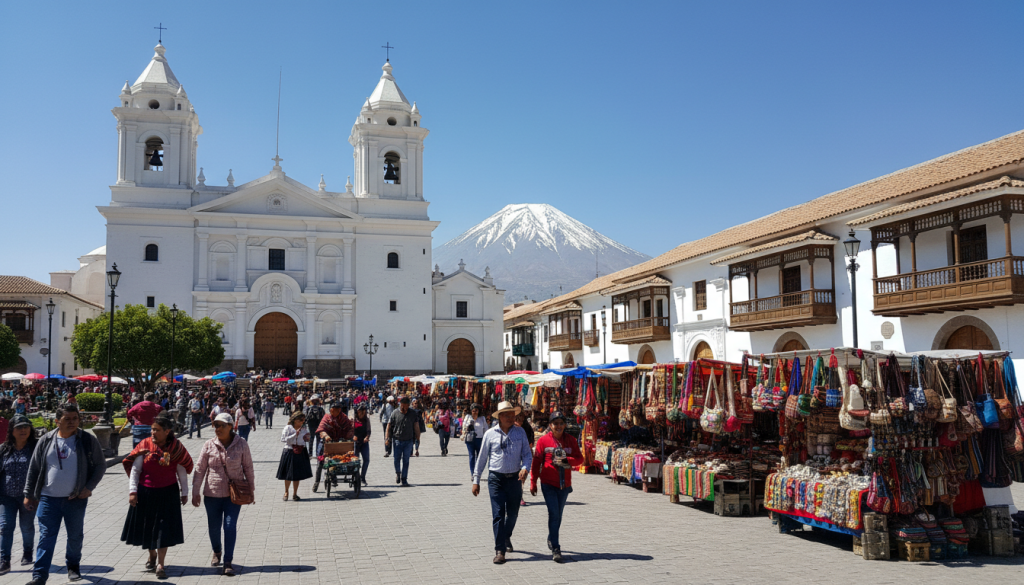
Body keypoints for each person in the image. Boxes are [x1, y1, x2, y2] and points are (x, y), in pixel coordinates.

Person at [23, 403, 105, 584]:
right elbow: (34, 468)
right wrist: (28, 493)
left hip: (75, 499)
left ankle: (73, 566)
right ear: (57, 421)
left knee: (75, 536)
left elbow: (100, 465)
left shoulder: (87, 440)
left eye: (75, 418)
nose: (72, 422)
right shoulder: (46, 440)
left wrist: (89, 487)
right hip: (48, 499)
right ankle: (39, 576)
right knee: (46, 537)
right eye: (67, 419)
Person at [120, 413, 193, 579]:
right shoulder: (144, 445)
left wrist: (185, 492)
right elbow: (136, 470)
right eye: (152, 429)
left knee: (163, 529)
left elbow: (181, 471)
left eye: (157, 430)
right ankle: (152, 554)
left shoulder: (176, 447)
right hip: (146, 492)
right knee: (148, 527)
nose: (153, 433)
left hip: (168, 493)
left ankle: (160, 563)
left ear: (167, 431)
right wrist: (133, 492)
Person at [191, 413, 255, 576]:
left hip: (234, 495)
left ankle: (227, 561)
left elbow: (248, 467)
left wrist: (251, 490)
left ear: (230, 427)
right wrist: (195, 491)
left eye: (221, 425)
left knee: (229, 526)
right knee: (214, 527)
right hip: (212, 494)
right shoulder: (209, 445)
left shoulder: (241, 444)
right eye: (215, 425)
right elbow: (200, 469)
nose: (217, 429)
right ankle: (217, 551)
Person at [471, 401, 532, 565]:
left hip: (514, 479)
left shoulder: (520, 432)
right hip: (496, 479)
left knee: (512, 514)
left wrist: (525, 468)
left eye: (513, 415)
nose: (511, 418)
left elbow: (527, 454)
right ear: (500, 417)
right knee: (498, 515)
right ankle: (499, 550)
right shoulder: (490, 434)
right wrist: (476, 480)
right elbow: (482, 458)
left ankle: (506, 536)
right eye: (507, 415)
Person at [529, 412, 583, 563]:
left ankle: (551, 537)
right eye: (555, 423)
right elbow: (536, 462)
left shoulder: (571, 440)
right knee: (554, 514)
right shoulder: (543, 441)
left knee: (558, 515)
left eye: (561, 423)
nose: (558, 426)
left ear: (565, 425)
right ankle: (556, 548)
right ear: (550, 425)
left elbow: (580, 459)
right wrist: (533, 482)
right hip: (548, 483)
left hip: (564, 485)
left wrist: (566, 460)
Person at [0, 415, 36, 575]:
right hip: (6, 496)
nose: (23, 430)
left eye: (26, 427)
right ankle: (4, 560)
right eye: (19, 427)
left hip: (28, 496)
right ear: (12, 431)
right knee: (5, 527)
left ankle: (28, 551)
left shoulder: (35, 448)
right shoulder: (3, 449)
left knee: (26, 526)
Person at [312, 402, 354, 493]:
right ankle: (316, 482)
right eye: (331, 409)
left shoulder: (344, 418)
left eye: (334, 410)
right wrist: (325, 435)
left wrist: (349, 434)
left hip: (339, 442)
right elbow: (321, 429)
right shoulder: (327, 417)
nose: (331, 411)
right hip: (326, 443)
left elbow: (349, 428)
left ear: (339, 410)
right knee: (320, 464)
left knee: (336, 461)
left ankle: (333, 477)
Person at [277, 412, 312, 501]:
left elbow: (306, 439)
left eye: (303, 420)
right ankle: (286, 492)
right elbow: (283, 439)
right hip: (289, 451)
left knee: (297, 474)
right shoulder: (288, 428)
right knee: (288, 474)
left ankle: (295, 494)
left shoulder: (304, 428)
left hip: (301, 450)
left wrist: (307, 437)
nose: (302, 422)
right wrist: (294, 434)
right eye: (301, 420)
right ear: (295, 419)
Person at [385, 396, 420, 487]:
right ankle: (398, 473)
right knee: (396, 459)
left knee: (406, 460)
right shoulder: (395, 413)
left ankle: (404, 479)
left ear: (408, 405)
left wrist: (418, 437)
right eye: (402, 405)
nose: (403, 408)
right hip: (397, 440)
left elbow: (416, 425)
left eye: (405, 406)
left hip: (408, 441)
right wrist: (387, 438)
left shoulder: (412, 413)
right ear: (400, 404)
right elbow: (388, 426)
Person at [462, 404, 486, 479]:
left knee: (479, 457)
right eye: (473, 411)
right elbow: (464, 427)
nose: (475, 412)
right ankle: (473, 474)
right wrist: (470, 423)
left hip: (479, 439)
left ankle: (478, 472)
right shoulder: (468, 417)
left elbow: (486, 429)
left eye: (476, 411)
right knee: (472, 456)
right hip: (470, 439)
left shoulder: (482, 418)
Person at [352, 404, 371, 486]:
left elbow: (369, 431)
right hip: (355, 443)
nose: (362, 413)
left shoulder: (366, 420)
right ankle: (355, 476)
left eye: (364, 412)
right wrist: (353, 436)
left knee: (366, 460)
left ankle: (363, 477)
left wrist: (367, 437)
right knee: (355, 461)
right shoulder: (353, 420)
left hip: (364, 442)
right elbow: (350, 431)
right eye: (360, 412)